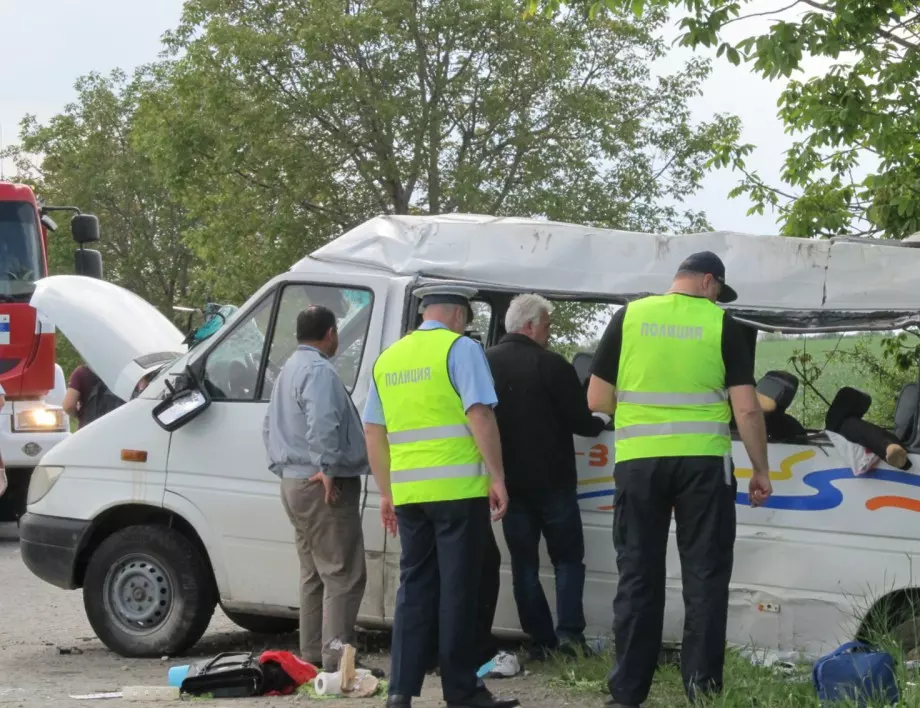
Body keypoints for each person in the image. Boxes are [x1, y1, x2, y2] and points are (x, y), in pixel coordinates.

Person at [586, 251, 773, 708]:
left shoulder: (629, 317)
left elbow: (597, 397)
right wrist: (760, 470)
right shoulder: (724, 325)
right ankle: (703, 695)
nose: (718, 299)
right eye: (718, 292)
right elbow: (746, 408)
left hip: (639, 464)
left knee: (638, 576)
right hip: (703, 466)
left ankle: (627, 695)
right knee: (705, 579)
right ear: (709, 281)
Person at [363, 284, 519, 708]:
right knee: (458, 590)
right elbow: (480, 414)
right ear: (457, 316)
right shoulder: (461, 349)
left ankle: (400, 691)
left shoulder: (388, 358)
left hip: (411, 494)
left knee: (414, 590)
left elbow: (373, 432)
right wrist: (498, 476)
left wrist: (385, 492)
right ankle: (461, 692)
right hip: (456, 491)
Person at [485, 293, 606, 661]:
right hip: (554, 484)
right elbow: (581, 422)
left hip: (508, 485)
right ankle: (570, 638)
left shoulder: (484, 363)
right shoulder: (553, 365)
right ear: (530, 325)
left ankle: (539, 641)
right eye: (547, 325)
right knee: (568, 560)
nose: (549, 332)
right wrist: (601, 418)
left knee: (524, 566)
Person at [262, 305, 369, 672]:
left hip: (292, 482)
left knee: (313, 572)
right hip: (321, 483)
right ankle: (339, 663)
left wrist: (284, 468)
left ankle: (311, 655)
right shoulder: (319, 371)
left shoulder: (287, 370)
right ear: (331, 333)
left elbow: (267, 427)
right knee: (343, 573)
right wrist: (327, 467)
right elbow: (322, 420)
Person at [63, 364, 123, 429]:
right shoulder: (123, 372)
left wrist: (79, 415)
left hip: (89, 429)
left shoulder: (82, 372)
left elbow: (68, 406)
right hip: (117, 427)